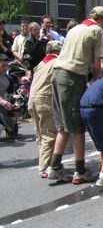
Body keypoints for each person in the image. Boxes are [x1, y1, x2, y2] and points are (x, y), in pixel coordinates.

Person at [46, 6, 103, 183]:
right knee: (77, 127)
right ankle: (80, 170)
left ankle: (55, 167)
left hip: (57, 74)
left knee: (63, 127)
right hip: (72, 77)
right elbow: (99, 65)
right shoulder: (97, 31)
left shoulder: (75, 28)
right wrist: (94, 82)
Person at [28, 41, 62, 177]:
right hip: (45, 99)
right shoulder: (56, 62)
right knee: (49, 134)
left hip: (32, 100)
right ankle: (45, 168)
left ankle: (46, 163)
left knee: (40, 135)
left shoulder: (40, 63)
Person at [0, 54, 17, 141]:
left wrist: (15, 103)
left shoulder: (8, 78)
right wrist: (2, 102)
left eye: (7, 66)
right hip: (1, 102)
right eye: (3, 65)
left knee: (13, 130)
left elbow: (11, 94)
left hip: (3, 101)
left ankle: (9, 129)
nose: (5, 68)